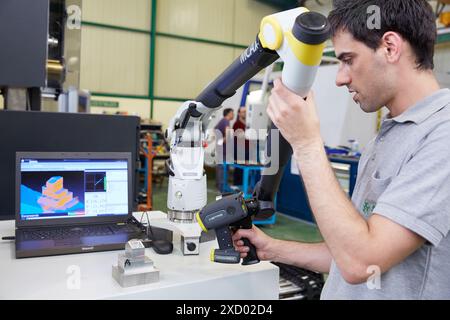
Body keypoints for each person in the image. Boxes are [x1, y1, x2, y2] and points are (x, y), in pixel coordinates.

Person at [233, 0, 450, 299]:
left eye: (348, 59)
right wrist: (274, 248)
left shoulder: (442, 136)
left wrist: (307, 143)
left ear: (390, 47)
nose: (340, 77)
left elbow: (363, 262)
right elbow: (350, 249)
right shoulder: (387, 135)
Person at [214, 108, 234, 192]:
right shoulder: (226, 121)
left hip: (220, 149)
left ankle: (219, 185)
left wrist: (220, 140)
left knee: (220, 167)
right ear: (229, 114)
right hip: (223, 150)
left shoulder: (222, 121)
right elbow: (229, 135)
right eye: (232, 113)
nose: (233, 115)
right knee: (222, 168)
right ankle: (221, 187)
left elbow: (214, 129)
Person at [232, 107, 249, 186]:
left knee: (245, 168)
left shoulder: (248, 123)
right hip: (239, 149)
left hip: (247, 149)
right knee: (239, 168)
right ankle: (237, 184)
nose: (244, 113)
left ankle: (242, 185)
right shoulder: (237, 124)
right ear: (239, 113)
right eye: (243, 112)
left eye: (245, 111)